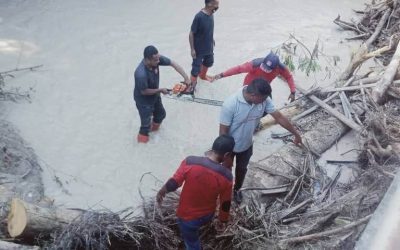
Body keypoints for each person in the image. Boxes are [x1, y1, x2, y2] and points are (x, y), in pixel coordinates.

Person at [219, 78, 302, 204]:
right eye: (262, 99)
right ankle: (223, 192)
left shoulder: (263, 100)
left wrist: (296, 134)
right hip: (229, 146)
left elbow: (279, 117)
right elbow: (223, 132)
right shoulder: (230, 104)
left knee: (242, 169)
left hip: (246, 145)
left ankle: (237, 190)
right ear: (253, 95)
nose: (264, 102)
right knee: (225, 171)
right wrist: (227, 155)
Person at [157, 134, 235, 250]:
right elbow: (225, 203)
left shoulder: (190, 161)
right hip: (208, 215)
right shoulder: (227, 177)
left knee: (191, 242)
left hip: (187, 218)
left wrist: (162, 191)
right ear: (227, 155)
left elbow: (174, 183)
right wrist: (222, 220)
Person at [134, 45, 189, 143]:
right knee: (145, 125)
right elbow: (144, 91)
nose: (158, 62)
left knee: (161, 115)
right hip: (144, 102)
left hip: (155, 95)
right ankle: (142, 147)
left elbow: (173, 63)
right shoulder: (140, 74)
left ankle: (154, 133)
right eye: (155, 60)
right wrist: (160, 90)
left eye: (158, 59)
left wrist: (186, 78)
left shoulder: (156, 59)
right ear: (147, 60)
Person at [212, 52, 297, 102]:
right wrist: (221, 75)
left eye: (268, 69)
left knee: (266, 106)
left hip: (263, 87)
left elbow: (289, 77)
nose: (265, 70)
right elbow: (238, 69)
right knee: (247, 104)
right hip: (249, 86)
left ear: (276, 67)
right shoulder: (254, 64)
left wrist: (293, 92)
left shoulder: (281, 68)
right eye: (264, 67)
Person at [187, 0, 219, 94]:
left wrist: (212, 39)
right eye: (216, 4)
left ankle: (203, 76)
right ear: (209, 4)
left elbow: (209, 29)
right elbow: (191, 33)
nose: (217, 6)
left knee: (209, 62)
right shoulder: (199, 17)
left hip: (209, 46)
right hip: (199, 49)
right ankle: (191, 86)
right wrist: (192, 49)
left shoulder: (211, 14)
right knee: (196, 68)